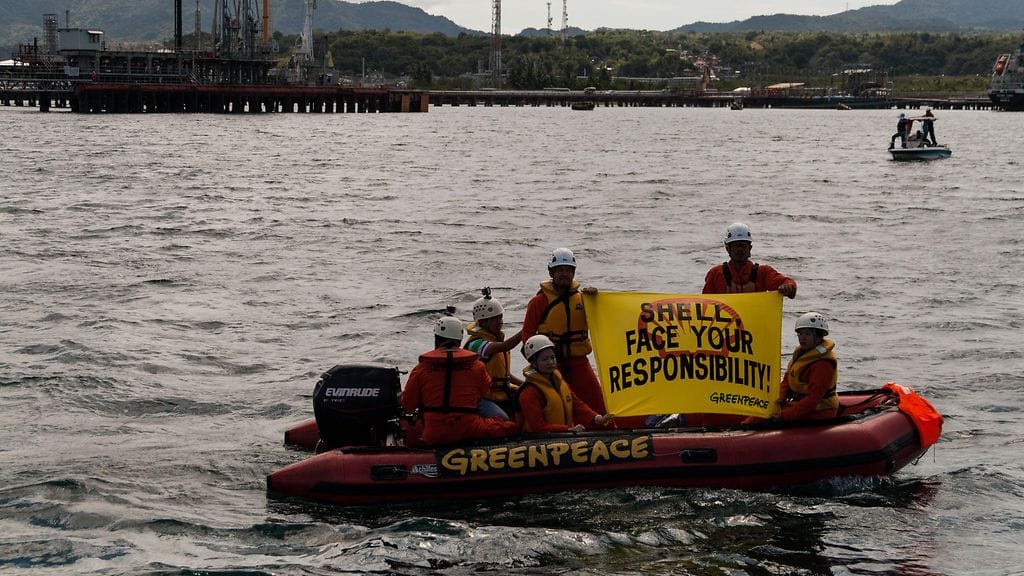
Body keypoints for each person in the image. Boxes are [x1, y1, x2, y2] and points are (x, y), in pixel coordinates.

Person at [401, 315, 519, 445]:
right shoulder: (477, 366)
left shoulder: (421, 369)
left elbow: (408, 405)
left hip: (434, 434)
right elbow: (484, 392)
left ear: (436, 339)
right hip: (471, 428)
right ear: (459, 340)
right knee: (508, 424)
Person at [521, 248, 607, 413]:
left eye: (568, 270)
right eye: (560, 270)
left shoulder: (584, 298)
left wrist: (595, 300)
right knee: (558, 404)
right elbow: (527, 333)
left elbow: (603, 320)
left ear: (573, 273)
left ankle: (603, 424)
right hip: (550, 363)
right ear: (551, 272)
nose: (564, 274)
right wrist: (536, 361)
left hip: (579, 361)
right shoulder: (539, 301)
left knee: (598, 403)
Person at [743, 311, 839, 425]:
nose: (802, 337)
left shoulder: (822, 364)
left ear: (818, 336)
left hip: (819, 411)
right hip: (801, 404)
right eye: (800, 334)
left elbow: (813, 399)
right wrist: (779, 400)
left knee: (769, 421)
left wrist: (784, 416)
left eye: (807, 334)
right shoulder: (802, 353)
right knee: (758, 416)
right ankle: (743, 427)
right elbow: (787, 380)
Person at [516, 335, 615, 433]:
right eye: (545, 359)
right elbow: (538, 427)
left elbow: (577, 405)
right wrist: (568, 430)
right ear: (533, 362)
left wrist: (597, 418)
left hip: (563, 435)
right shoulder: (529, 393)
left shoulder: (558, 381)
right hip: (541, 438)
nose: (550, 362)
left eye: (552, 357)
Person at [464, 288, 523, 419]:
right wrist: (527, 329)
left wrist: (526, 385)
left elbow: (506, 375)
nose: (500, 321)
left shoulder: (495, 339)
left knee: (531, 397)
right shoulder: (476, 344)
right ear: (483, 322)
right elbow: (506, 346)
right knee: (502, 419)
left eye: (500, 317)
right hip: (482, 397)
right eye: (495, 318)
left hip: (502, 393)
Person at [702, 222, 797, 299]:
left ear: (750, 248)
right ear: (728, 248)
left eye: (743, 245)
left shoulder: (763, 273)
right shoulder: (715, 274)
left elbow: (787, 282)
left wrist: (788, 287)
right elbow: (704, 303)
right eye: (736, 246)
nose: (740, 250)